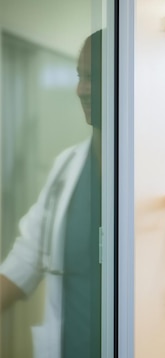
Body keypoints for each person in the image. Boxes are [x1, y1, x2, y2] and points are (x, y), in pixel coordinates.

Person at [0, 30, 103, 358]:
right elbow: (26, 258)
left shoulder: (150, 173)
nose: (81, 89)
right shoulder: (66, 167)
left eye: (94, 77)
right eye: (80, 76)